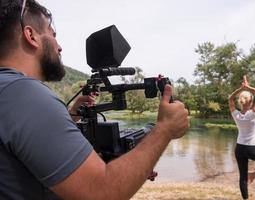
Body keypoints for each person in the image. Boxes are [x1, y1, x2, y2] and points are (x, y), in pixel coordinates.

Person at [0, 0, 189, 199]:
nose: (60, 46)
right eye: (52, 34)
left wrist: (72, 115)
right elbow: (100, 192)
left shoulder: (9, 93)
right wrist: (164, 130)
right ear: (31, 36)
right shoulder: (25, 94)